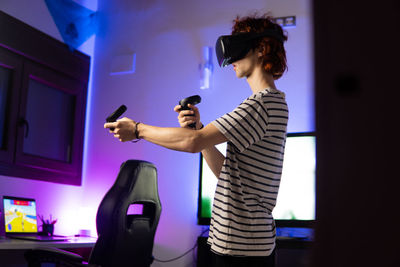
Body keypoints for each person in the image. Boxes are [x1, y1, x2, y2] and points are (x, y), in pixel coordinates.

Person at [104, 13, 288, 267]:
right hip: (238, 245)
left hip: (241, 249)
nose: (230, 59)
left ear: (260, 48)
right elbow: (228, 172)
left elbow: (192, 143)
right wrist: (199, 129)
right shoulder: (270, 103)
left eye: (237, 45)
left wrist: (138, 130)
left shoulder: (263, 103)